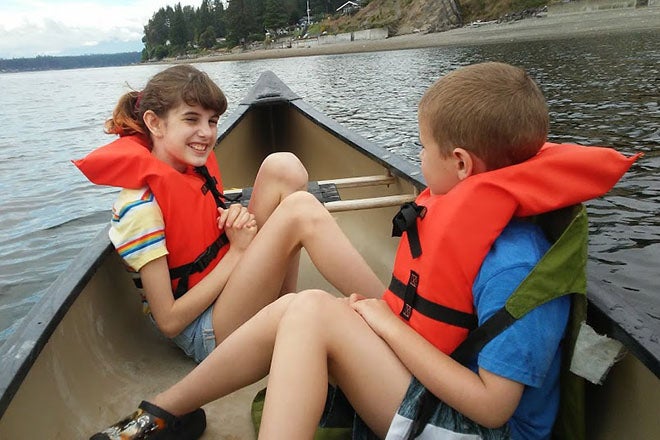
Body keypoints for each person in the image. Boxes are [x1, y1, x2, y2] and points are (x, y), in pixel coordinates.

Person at [90, 62, 638, 440]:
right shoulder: (491, 237)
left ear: (463, 164)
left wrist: (387, 324)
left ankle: (163, 413)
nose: (418, 161)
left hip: (480, 429)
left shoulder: (515, 265)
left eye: (421, 148)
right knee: (301, 307)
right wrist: (382, 320)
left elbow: (494, 407)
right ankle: (164, 412)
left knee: (314, 312)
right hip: (443, 392)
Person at [74, 64, 385, 367]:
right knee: (300, 210)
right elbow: (169, 321)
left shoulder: (191, 171)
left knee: (283, 166)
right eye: (191, 119)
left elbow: (203, 231)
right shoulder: (141, 209)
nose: (206, 133)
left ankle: (280, 305)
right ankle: (392, 314)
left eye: (212, 121)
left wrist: (234, 218)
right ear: (155, 123)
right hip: (205, 332)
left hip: (228, 290)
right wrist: (237, 253)